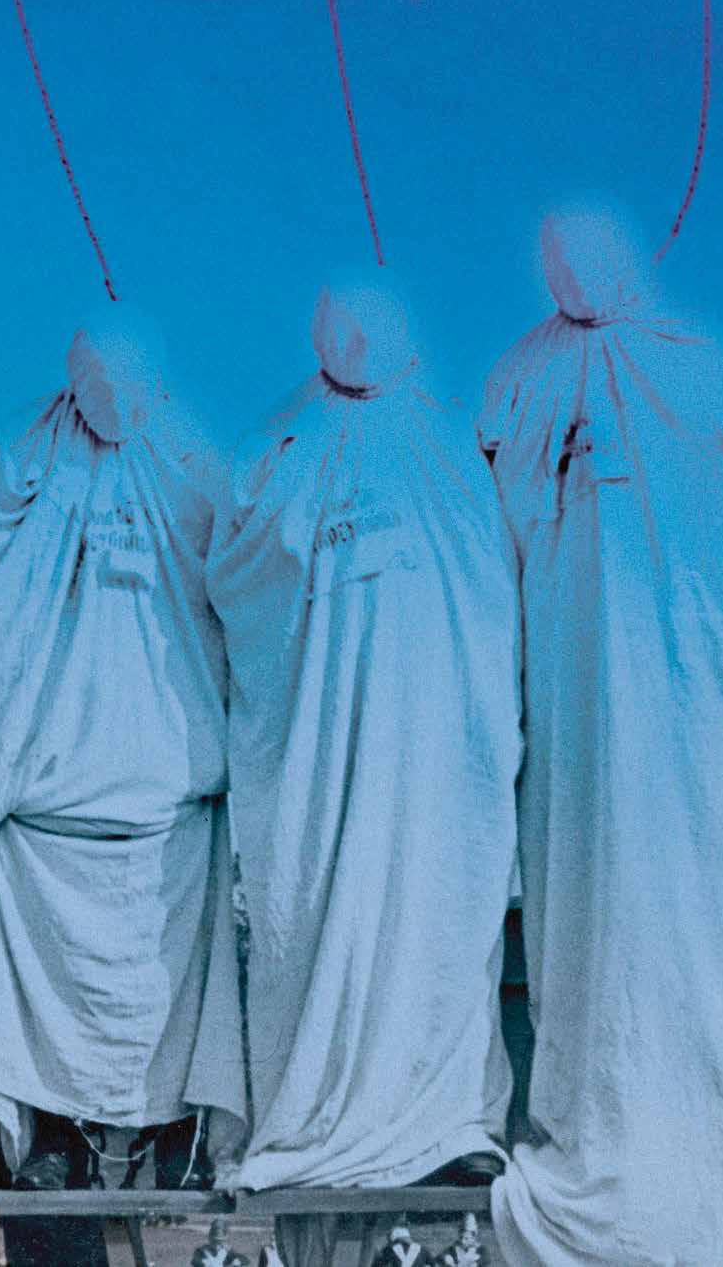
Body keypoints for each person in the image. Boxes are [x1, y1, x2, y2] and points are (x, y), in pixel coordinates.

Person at [482, 210, 723, 1266]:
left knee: (705, 906)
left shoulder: (708, 372)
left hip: (691, 704)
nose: (572, 274)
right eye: (552, 261)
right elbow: (493, 531)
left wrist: (715, 666)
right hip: (575, 700)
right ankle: (607, 1131)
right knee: (588, 912)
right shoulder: (521, 377)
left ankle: (717, 1141)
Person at [207, 282, 521, 1267]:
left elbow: (490, 599)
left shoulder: (450, 452)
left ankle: (443, 1121)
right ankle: (314, 1112)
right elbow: (239, 582)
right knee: (314, 922)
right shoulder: (277, 454)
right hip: (318, 758)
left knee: (433, 925)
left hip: (427, 756)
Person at [0, 314, 247, 1265]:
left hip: (168, 799)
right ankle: (55, 1140)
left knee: (170, 1003)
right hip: (48, 797)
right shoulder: (16, 464)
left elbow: (246, 596)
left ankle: (170, 1134)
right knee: (46, 1016)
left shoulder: (196, 467)